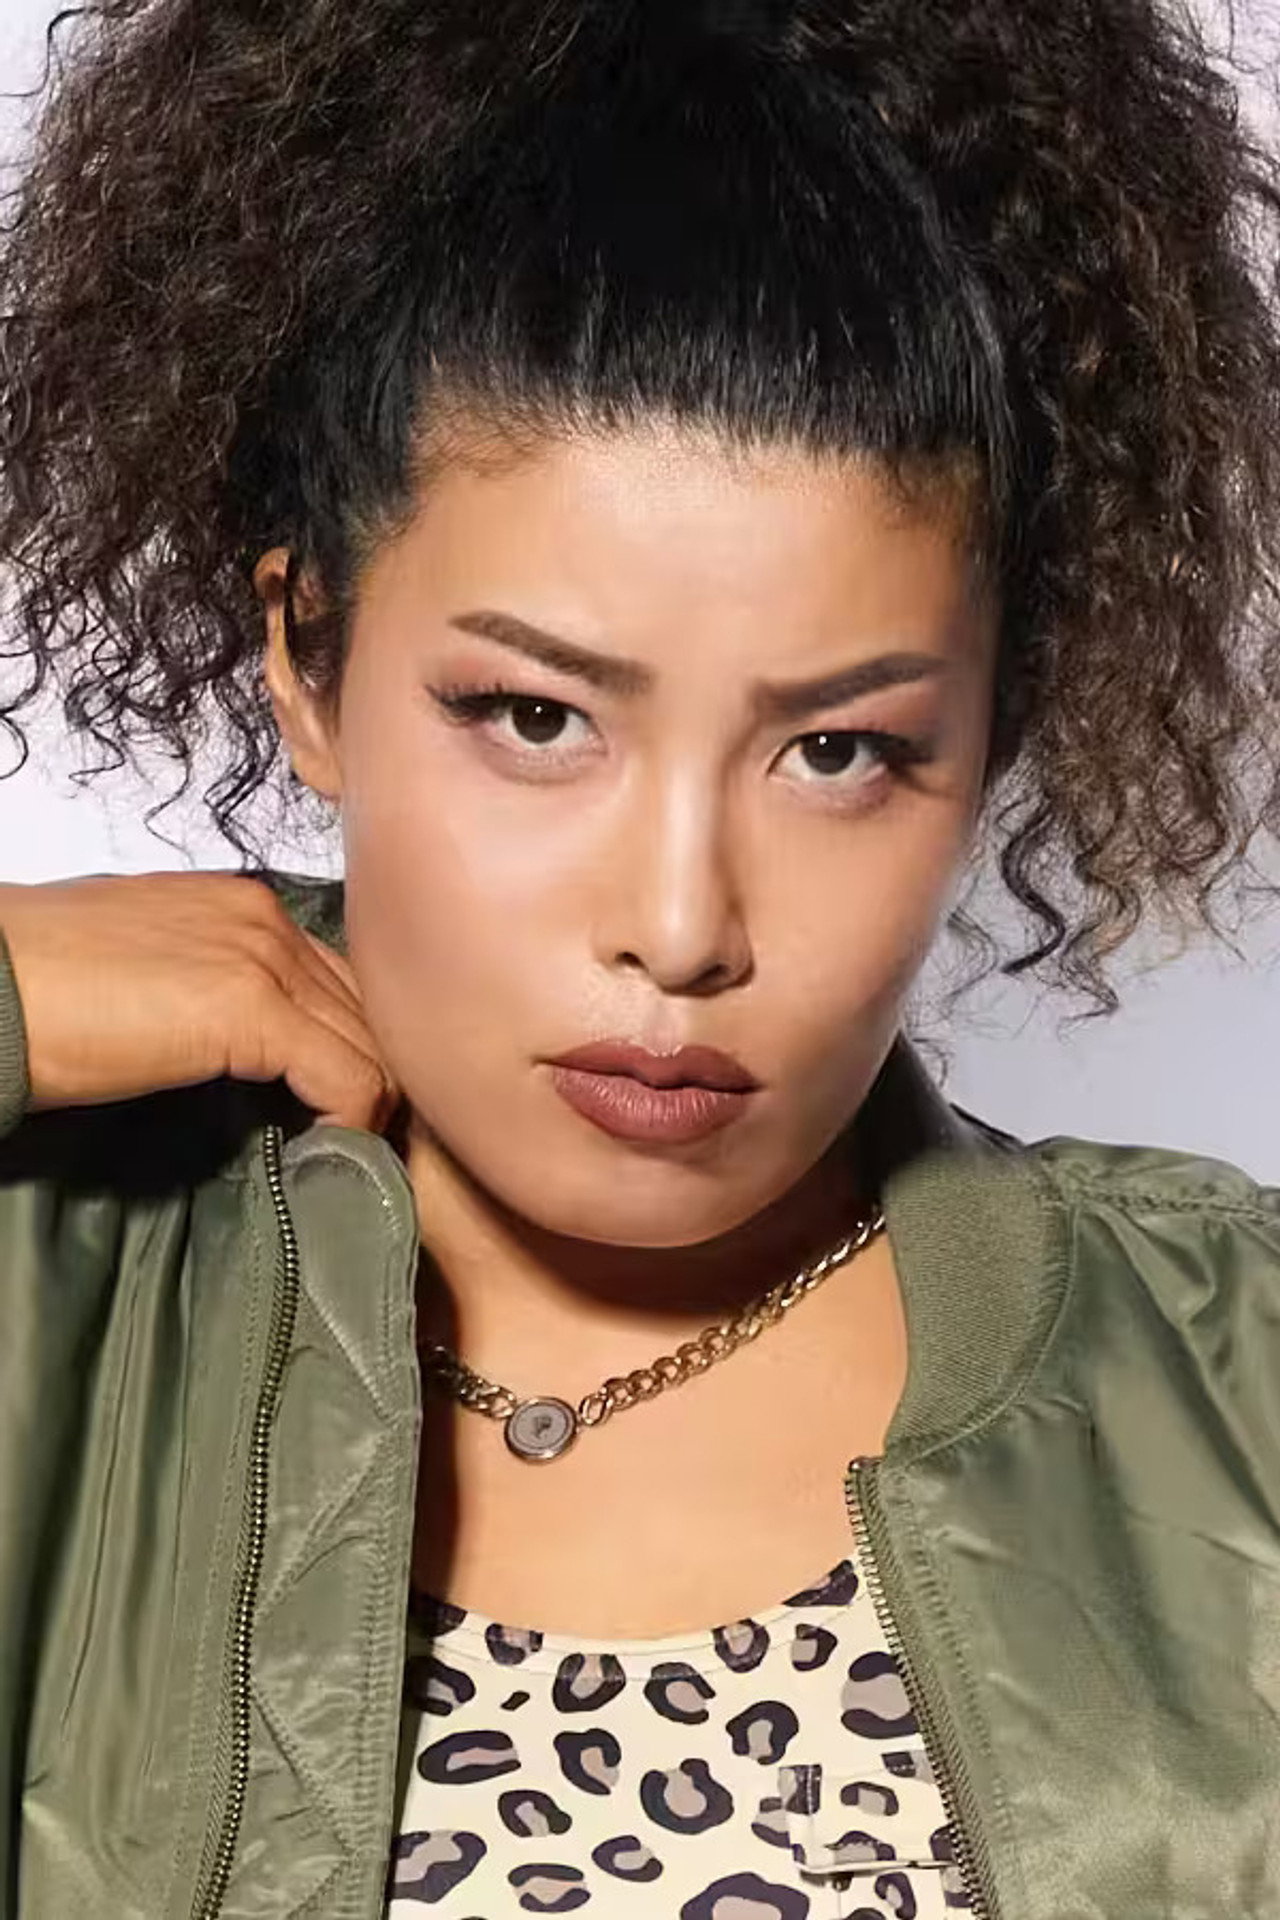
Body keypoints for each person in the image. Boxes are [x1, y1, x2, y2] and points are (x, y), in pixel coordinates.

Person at [1, 0, 1279, 1913]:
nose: (680, 928)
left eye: (839, 752)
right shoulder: (48, 1284)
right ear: (309, 662)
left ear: (992, 739)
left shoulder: (1239, 1385)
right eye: (536, 719)